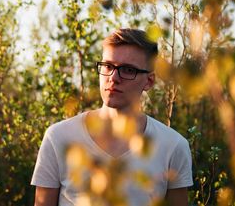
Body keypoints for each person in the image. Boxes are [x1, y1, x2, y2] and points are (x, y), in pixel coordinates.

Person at [31, 28, 193, 206]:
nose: (113, 77)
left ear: (149, 81)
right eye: (108, 66)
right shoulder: (58, 137)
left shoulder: (173, 146)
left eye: (128, 70)